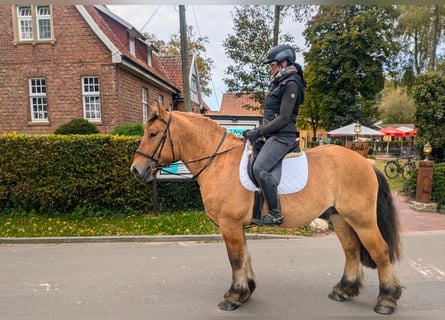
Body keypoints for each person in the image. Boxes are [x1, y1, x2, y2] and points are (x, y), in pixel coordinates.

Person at [243, 44, 306, 226]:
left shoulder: (292, 83)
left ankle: (276, 213)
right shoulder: (279, 82)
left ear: (283, 62)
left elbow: (284, 117)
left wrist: (259, 132)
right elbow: (271, 115)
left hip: (283, 136)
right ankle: (255, 212)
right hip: (272, 134)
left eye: (272, 65)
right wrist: (258, 132)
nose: (270, 69)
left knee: (259, 169)